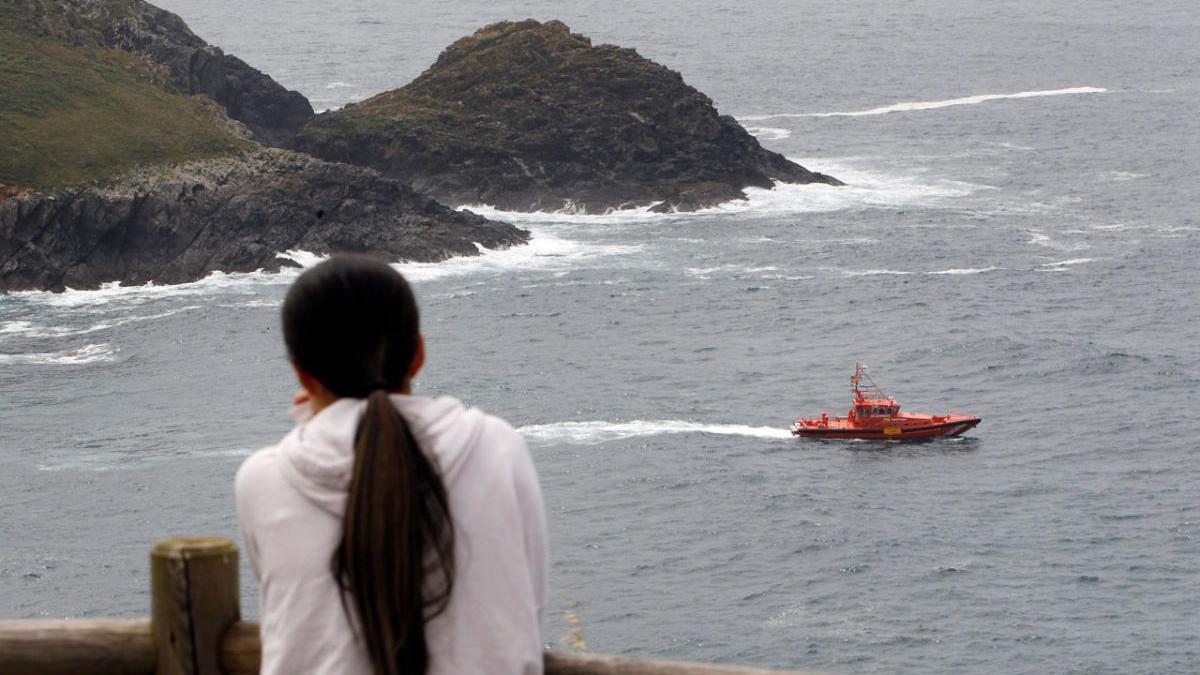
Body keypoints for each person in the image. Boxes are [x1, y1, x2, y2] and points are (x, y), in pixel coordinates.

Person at [236, 255, 547, 675]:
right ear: (417, 354)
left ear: (303, 376)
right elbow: (527, 609)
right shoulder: (498, 448)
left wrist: (322, 420)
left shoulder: (263, 480)